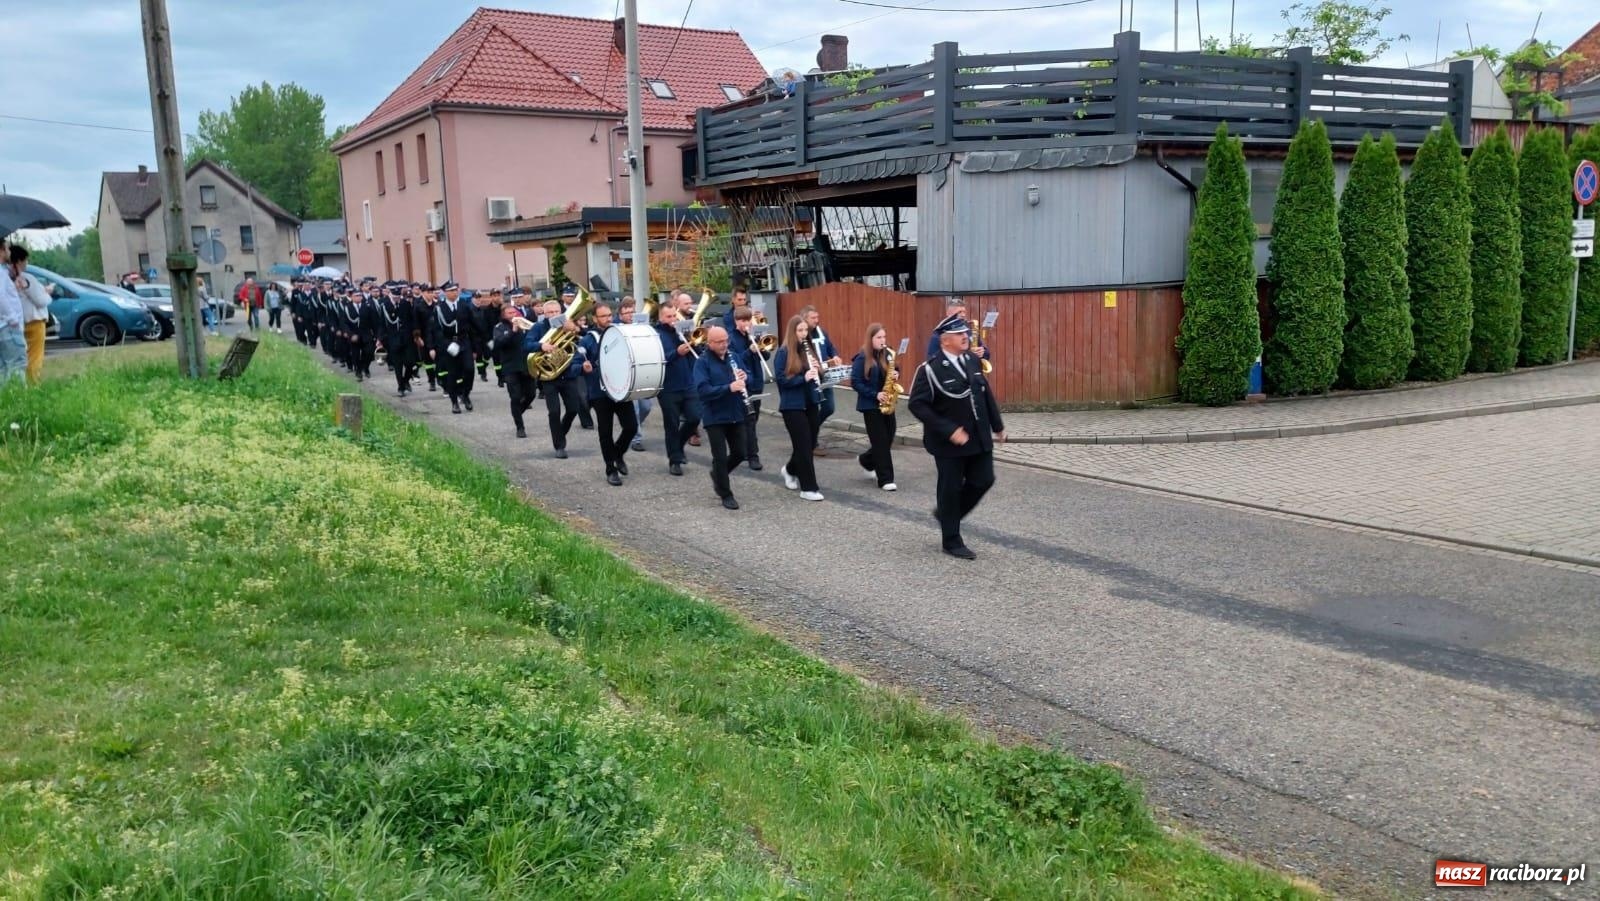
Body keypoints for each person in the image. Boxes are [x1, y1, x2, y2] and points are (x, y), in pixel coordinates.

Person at [908, 314, 1006, 560]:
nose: (966, 337)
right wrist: (948, 429)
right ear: (945, 341)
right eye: (960, 334)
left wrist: (998, 425)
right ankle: (951, 539)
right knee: (950, 489)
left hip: (978, 436)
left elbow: (985, 394)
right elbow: (917, 405)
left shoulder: (972, 360)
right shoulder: (929, 370)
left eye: (965, 333)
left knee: (984, 480)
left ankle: (947, 515)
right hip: (949, 442)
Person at [693, 325, 753, 510]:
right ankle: (726, 494)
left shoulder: (734, 357)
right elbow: (703, 390)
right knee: (719, 456)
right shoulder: (702, 362)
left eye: (726, 340)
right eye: (719, 342)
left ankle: (719, 475)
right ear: (709, 343)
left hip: (735, 412)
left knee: (740, 453)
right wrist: (728, 388)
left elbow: (748, 375)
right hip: (715, 416)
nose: (724, 344)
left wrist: (745, 377)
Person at [579, 303, 638, 485]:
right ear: (595, 319)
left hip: (620, 388)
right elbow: (576, 362)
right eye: (603, 316)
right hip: (599, 392)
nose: (608, 319)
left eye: (609, 315)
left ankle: (617, 454)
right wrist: (583, 366)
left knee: (631, 427)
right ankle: (610, 469)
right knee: (605, 432)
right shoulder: (588, 339)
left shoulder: (620, 333)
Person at [770, 315, 825, 502]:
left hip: (811, 402)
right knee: (802, 445)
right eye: (799, 330)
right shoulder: (784, 352)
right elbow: (782, 380)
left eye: (805, 330)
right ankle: (808, 488)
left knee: (808, 444)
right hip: (792, 405)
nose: (803, 334)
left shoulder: (808, 350)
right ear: (792, 332)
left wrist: (819, 371)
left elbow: (820, 378)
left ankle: (790, 470)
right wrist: (804, 378)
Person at [527, 304, 583, 457]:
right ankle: (559, 446)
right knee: (554, 412)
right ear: (544, 314)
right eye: (550, 312)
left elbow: (582, 341)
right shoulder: (538, 327)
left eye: (557, 311)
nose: (554, 314)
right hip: (549, 377)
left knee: (573, 409)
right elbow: (526, 345)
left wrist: (577, 330)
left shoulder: (568, 324)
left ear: (561, 312)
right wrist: (541, 345)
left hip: (567, 373)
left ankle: (560, 434)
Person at [851, 323, 900, 492]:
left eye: (884, 337)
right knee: (880, 442)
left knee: (889, 436)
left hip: (887, 402)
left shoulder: (887, 354)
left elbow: (895, 367)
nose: (882, 340)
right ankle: (885, 479)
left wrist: (896, 373)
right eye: (879, 337)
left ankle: (866, 460)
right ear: (870, 339)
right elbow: (855, 382)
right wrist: (875, 394)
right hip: (870, 405)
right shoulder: (862, 358)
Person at [653, 302, 701, 476]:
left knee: (695, 417)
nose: (673, 320)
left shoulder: (682, 332)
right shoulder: (656, 335)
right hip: (668, 386)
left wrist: (692, 342)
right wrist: (676, 353)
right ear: (660, 317)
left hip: (688, 383)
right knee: (671, 424)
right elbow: (658, 359)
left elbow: (698, 353)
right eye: (669, 317)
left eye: (674, 316)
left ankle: (678, 446)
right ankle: (674, 460)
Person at [727, 306, 767, 470]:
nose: (746, 323)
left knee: (753, 418)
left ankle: (743, 448)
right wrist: (749, 350)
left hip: (757, 380)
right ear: (736, 321)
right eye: (742, 320)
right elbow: (734, 360)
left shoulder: (753, 336)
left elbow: (766, 356)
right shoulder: (731, 338)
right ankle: (753, 456)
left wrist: (761, 345)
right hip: (742, 382)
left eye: (748, 320)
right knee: (749, 419)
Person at [427, 284, 476, 414]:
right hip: (448, 343)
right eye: (451, 291)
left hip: (464, 341)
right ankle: (454, 402)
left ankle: (465, 394)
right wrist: (445, 344)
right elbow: (436, 330)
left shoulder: (464, 306)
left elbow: (473, 326)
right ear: (445, 293)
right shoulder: (439, 309)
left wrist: (478, 345)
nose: (455, 293)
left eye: (456, 290)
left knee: (469, 369)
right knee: (452, 373)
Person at [800, 305, 843, 455]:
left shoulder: (821, 331)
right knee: (811, 409)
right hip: (810, 376)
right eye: (813, 318)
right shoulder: (802, 334)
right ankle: (811, 441)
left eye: (817, 317)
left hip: (824, 375)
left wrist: (835, 356)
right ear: (805, 318)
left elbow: (830, 347)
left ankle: (809, 432)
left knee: (829, 407)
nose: (817, 321)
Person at [493, 295, 538, 437]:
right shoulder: (499, 327)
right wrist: (512, 331)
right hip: (510, 367)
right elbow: (499, 343)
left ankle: (517, 412)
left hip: (526, 365)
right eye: (509, 313)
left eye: (514, 313)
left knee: (531, 394)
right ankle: (520, 426)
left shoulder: (524, 325)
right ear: (503, 315)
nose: (513, 315)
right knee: (515, 397)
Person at [9, 246, 51, 385]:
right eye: (26, 259)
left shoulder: (7, 278)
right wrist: (47, 292)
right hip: (35, 322)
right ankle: (34, 384)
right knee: (34, 356)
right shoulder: (26, 278)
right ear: (19, 261)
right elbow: (41, 301)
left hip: (17, 323)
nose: (27, 262)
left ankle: (22, 384)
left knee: (21, 357)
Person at [619, 297, 651, 452]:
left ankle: (632, 425)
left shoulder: (640, 327)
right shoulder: (618, 329)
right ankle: (636, 438)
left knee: (646, 406)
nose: (630, 315)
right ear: (620, 316)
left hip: (641, 371)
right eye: (626, 313)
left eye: (631, 312)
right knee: (636, 408)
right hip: (627, 372)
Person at [926, 296, 993, 369]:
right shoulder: (939, 334)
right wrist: (968, 356)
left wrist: (982, 353)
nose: (963, 315)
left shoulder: (969, 330)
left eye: (964, 312)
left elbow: (986, 353)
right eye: (959, 312)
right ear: (948, 313)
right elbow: (932, 360)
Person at [0, 247, 29, 384]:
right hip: (8, 326)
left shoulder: (4, 272)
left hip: (4, 326)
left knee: (4, 369)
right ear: (1, 250)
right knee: (17, 364)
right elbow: (0, 297)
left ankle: (6, 401)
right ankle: (19, 401)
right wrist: (13, 319)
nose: (9, 252)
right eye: (6, 248)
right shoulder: (0, 272)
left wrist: (14, 287)